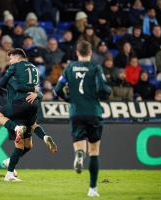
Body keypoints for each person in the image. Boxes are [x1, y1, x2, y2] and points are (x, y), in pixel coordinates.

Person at [55, 41, 110, 197]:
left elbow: (57, 89)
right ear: (90, 52)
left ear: (77, 53)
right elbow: (103, 89)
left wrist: (68, 99)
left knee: (81, 146)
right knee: (94, 151)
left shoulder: (69, 68)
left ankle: (79, 154)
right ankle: (92, 189)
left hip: (76, 112)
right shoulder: (96, 68)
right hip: (94, 112)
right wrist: (106, 93)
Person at [0, 48, 57, 182]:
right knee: (29, 142)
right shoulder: (34, 69)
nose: (10, 61)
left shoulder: (13, 72)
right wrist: (36, 93)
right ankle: (44, 137)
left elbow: (6, 86)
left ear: (17, 57)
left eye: (11, 58)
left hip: (16, 106)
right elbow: (39, 92)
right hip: (33, 105)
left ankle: (9, 174)